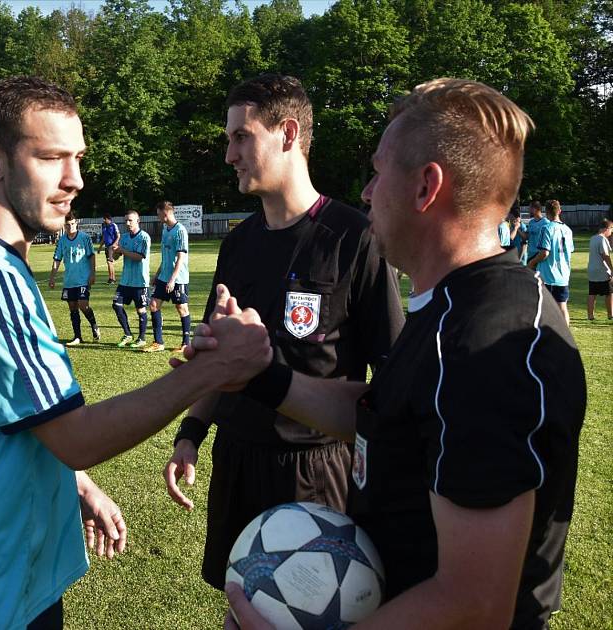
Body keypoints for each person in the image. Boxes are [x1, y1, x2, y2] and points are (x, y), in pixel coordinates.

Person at [0, 76, 272, 630]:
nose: (76, 180)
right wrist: (217, 366)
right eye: (51, 158)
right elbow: (77, 437)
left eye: (78, 158)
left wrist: (76, 485)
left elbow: (11, 417)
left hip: (2, 575)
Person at [202, 78, 586, 629]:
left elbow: (474, 604)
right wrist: (260, 374)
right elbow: (387, 417)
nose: (365, 192)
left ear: (426, 187)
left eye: (379, 172)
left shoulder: (488, 341)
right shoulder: (452, 306)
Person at [163, 74, 405, 591]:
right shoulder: (238, 244)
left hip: (316, 467)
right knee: (242, 604)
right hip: (237, 456)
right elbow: (219, 359)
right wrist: (191, 434)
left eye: (241, 137)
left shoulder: (355, 237)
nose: (229, 154)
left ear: (288, 133)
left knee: (312, 612)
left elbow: (392, 378)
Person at [143, 200, 192, 353]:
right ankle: (158, 342)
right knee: (153, 305)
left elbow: (180, 258)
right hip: (164, 276)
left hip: (178, 278)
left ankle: (186, 343)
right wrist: (157, 275)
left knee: (181, 308)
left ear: (165, 213)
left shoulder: (180, 231)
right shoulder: (165, 229)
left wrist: (172, 279)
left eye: (158, 214)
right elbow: (166, 256)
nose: (157, 217)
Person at [48, 211, 100, 345]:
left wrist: (93, 274)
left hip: (83, 279)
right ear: (64, 226)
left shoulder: (85, 238)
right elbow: (57, 259)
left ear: (76, 223)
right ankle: (77, 337)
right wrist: (52, 277)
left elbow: (91, 256)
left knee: (83, 305)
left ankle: (94, 325)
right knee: (72, 307)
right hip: (69, 280)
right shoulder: (62, 241)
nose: (70, 227)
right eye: (67, 225)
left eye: (72, 224)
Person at [528, 199, 574, 327]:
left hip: (548, 276)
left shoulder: (546, 228)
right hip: (564, 275)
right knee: (563, 307)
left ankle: (547, 337)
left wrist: (531, 263)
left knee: (544, 309)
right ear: (560, 211)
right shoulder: (568, 230)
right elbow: (569, 251)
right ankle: (566, 337)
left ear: (546, 211)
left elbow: (544, 253)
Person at [110, 210, 151, 348]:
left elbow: (139, 257)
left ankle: (142, 338)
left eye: (130, 220)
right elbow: (116, 257)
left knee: (141, 310)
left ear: (138, 221)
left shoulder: (144, 237)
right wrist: (114, 252)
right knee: (116, 304)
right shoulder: (124, 238)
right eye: (126, 221)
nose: (127, 223)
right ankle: (128, 334)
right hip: (125, 281)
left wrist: (122, 250)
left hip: (140, 281)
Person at [586, 218, 612, 320]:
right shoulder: (602, 239)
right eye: (611, 229)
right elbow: (605, 255)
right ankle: (610, 314)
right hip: (602, 270)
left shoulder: (593, 238)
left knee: (592, 293)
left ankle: (590, 315)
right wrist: (612, 269)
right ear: (607, 228)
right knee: (609, 293)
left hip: (592, 270)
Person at [98, 213, 120, 284]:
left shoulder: (113, 225)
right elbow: (104, 238)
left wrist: (114, 244)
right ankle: (112, 278)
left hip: (111, 247)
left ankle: (111, 279)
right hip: (107, 247)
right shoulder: (104, 226)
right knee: (110, 263)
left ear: (108, 219)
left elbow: (118, 236)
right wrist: (100, 247)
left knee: (109, 262)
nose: (103, 220)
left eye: (105, 219)